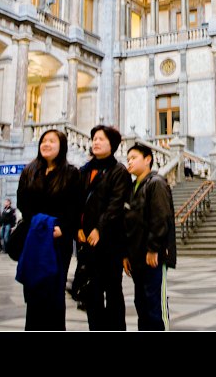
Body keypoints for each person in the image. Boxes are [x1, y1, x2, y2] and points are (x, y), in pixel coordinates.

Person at [14, 128, 81, 330]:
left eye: (52, 141)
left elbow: (76, 207)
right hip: (35, 237)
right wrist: (37, 223)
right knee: (33, 291)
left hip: (57, 239)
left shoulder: (71, 173)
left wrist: (63, 228)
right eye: (44, 140)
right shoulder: (30, 170)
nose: (46, 144)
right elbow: (22, 202)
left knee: (53, 294)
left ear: (61, 146)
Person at [77, 124, 130, 330]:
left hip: (110, 242)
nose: (95, 142)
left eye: (100, 139)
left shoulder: (119, 172)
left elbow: (116, 204)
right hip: (86, 242)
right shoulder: (84, 171)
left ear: (112, 144)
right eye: (94, 139)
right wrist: (77, 227)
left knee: (113, 290)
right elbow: (76, 202)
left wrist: (100, 228)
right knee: (92, 291)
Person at [123, 143, 177, 331]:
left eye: (134, 158)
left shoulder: (156, 183)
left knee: (155, 305)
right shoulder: (133, 187)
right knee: (142, 303)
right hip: (137, 256)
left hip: (153, 256)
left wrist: (154, 248)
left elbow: (161, 217)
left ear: (147, 160)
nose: (129, 162)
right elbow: (129, 224)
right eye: (127, 159)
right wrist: (126, 254)